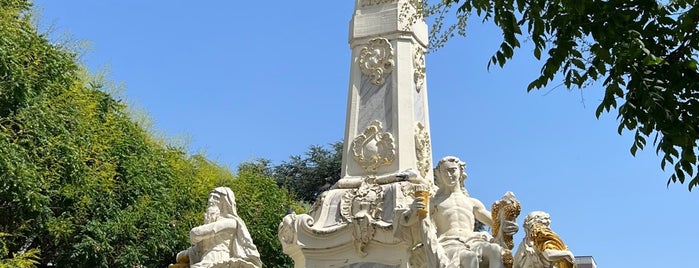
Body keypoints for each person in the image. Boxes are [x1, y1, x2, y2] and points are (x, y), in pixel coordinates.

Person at [403, 156, 518, 268]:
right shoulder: (434, 202)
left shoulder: (472, 202)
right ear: (439, 174)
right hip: (449, 243)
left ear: (460, 171)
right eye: (445, 172)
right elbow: (407, 221)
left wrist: (507, 226)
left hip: (474, 241)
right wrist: (414, 210)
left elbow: (495, 224)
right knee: (470, 257)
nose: (449, 175)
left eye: (453, 170)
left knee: (496, 250)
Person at [170, 187, 262, 268]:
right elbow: (199, 247)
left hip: (219, 260)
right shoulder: (211, 224)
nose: (210, 200)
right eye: (210, 197)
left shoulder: (231, 223)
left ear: (224, 202)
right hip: (205, 260)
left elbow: (196, 234)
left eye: (215, 198)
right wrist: (183, 255)